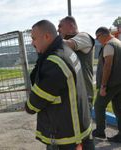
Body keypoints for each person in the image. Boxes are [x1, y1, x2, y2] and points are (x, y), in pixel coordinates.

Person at [25, 20, 94, 150]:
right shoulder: (66, 51)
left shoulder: (54, 62)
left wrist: (27, 106)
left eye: (34, 38)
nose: (32, 43)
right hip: (79, 128)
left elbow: (35, 103)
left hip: (66, 137)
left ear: (47, 37)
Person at [57, 16, 95, 108]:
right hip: (72, 94)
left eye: (60, 26)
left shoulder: (84, 37)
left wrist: (48, 38)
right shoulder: (63, 43)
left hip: (84, 95)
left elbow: (68, 44)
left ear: (71, 25)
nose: (58, 30)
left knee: (83, 122)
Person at [92, 27, 121, 143]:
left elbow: (107, 67)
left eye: (97, 37)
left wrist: (103, 86)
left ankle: (100, 131)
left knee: (99, 105)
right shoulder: (118, 43)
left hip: (110, 84)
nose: (97, 40)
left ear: (102, 34)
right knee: (119, 109)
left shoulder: (109, 45)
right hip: (119, 83)